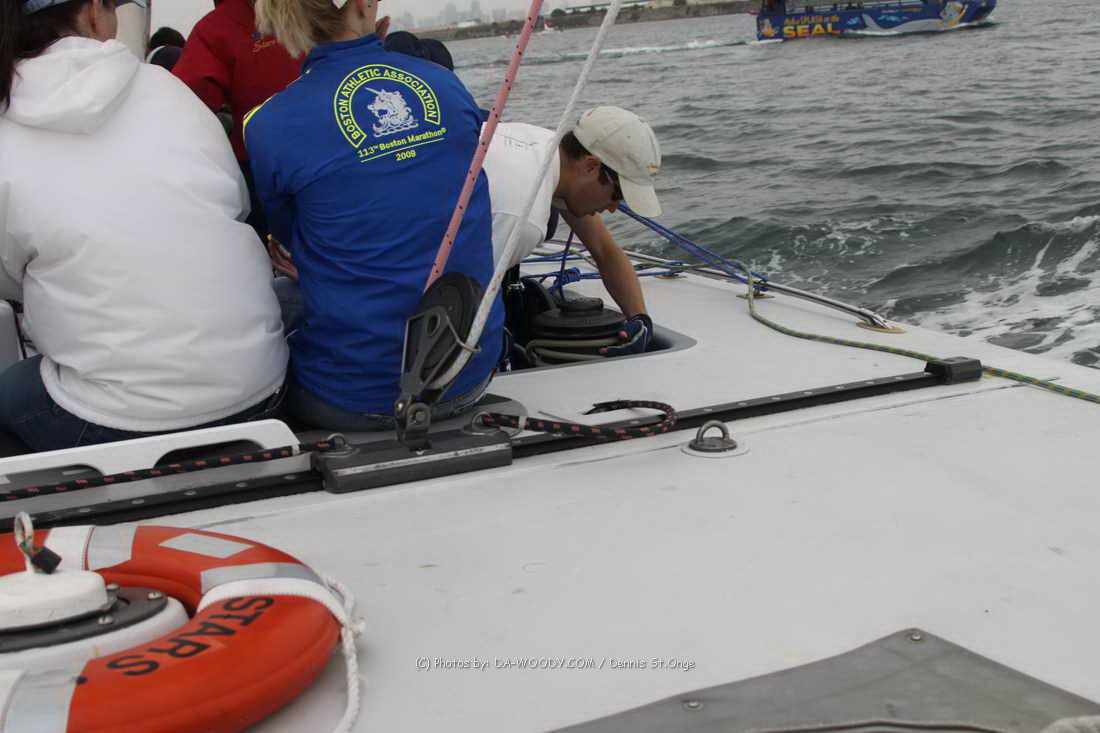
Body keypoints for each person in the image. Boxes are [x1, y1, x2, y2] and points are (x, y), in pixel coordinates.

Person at [0, 0, 288, 451]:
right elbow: (232, 202)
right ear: (94, 13)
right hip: (259, 391)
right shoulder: (167, 89)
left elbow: (8, 277)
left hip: (110, 417)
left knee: (13, 386)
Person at [247, 0, 503, 432]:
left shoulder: (268, 124)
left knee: (284, 297)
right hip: (469, 375)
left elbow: (291, 240)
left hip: (352, 400)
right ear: (365, 4)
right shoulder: (444, 82)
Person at [484, 107, 663, 356]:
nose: (613, 208)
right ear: (590, 166)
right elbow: (464, 292)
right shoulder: (523, 217)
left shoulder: (548, 150)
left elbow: (605, 251)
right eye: (617, 194)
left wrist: (640, 319)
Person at [172, 0, 302, 238]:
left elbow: (180, 110)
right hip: (267, 171)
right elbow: (185, 105)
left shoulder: (314, 11)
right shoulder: (220, 27)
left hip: (286, 166)